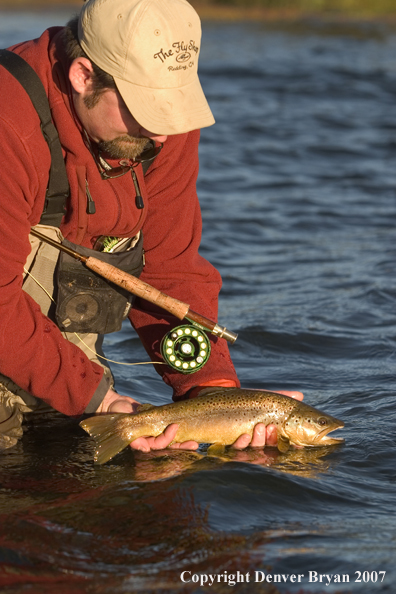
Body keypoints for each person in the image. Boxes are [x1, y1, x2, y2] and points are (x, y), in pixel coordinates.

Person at [0, 0, 302, 453]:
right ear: (83, 76)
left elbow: (170, 267)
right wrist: (97, 399)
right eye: (147, 107)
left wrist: (212, 393)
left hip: (47, 351)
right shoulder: (9, 123)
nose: (162, 135)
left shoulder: (159, 127)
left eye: (171, 106)